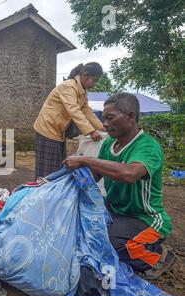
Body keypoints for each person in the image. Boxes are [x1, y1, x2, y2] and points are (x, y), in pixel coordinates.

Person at [63, 93, 175, 279]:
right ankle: (122, 238)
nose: (104, 124)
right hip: (115, 210)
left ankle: (158, 255)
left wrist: (86, 159)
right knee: (78, 226)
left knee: (108, 244)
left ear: (131, 117)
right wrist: (60, 184)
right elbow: (96, 175)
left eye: (110, 118)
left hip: (145, 218)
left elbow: (129, 174)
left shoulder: (148, 146)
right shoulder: (109, 144)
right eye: (103, 118)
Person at [33, 62, 105, 178]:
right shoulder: (69, 87)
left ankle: (52, 192)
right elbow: (74, 110)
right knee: (47, 170)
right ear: (85, 76)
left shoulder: (82, 91)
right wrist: (91, 131)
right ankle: (40, 193)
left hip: (58, 132)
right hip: (47, 129)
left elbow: (87, 111)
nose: (95, 84)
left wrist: (102, 127)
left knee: (57, 167)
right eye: (94, 80)